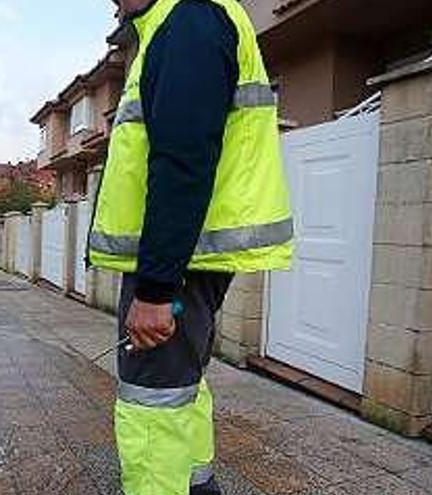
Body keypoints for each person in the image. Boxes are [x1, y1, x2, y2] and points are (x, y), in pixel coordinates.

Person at [89, 1, 294, 494]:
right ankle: (197, 486)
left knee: (152, 403)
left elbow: (182, 160)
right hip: (185, 257)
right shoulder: (184, 21)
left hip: (175, 262)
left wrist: (157, 290)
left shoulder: (190, 20)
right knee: (177, 392)